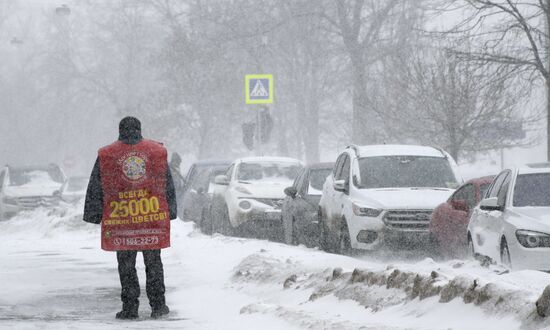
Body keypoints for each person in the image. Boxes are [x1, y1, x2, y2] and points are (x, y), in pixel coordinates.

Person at [83, 116, 177, 319]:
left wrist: (93, 213)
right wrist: (172, 210)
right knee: (154, 263)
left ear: (120, 130)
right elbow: (166, 182)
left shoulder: (107, 154)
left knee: (126, 266)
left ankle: (130, 308)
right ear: (139, 129)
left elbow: (96, 185)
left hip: (122, 221)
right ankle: (158, 306)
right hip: (151, 219)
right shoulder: (156, 152)